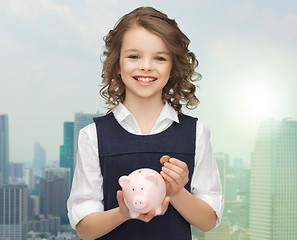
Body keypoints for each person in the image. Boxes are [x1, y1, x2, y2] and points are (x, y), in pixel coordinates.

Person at [67, 6, 224, 240]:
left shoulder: (196, 133)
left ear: (172, 68)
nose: (146, 66)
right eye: (134, 56)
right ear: (117, 64)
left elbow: (208, 221)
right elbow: (84, 229)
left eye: (160, 58)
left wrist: (177, 191)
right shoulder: (93, 136)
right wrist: (124, 212)